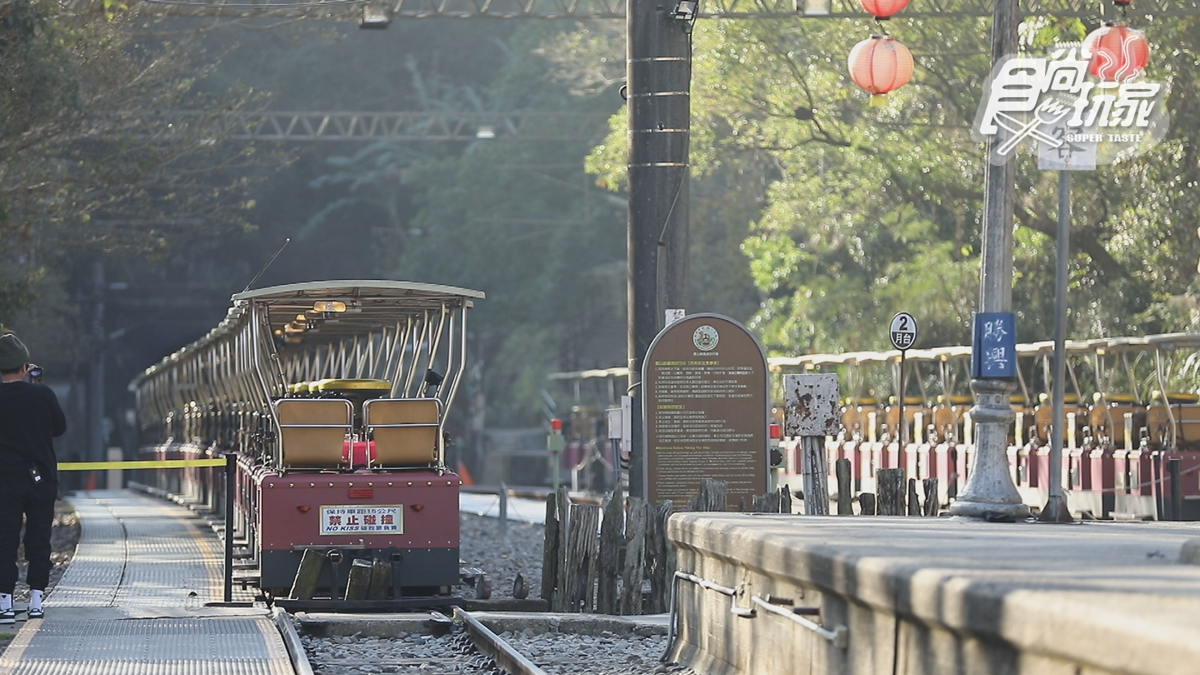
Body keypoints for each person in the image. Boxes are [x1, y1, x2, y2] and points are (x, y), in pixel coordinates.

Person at [0, 332, 66, 623]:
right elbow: (59, 428)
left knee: (5, 539)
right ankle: (36, 600)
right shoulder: (42, 394)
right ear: (25, 365)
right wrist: (38, 386)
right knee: (39, 539)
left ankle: (4, 604)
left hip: (5, 480)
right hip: (41, 480)